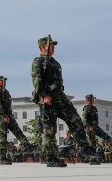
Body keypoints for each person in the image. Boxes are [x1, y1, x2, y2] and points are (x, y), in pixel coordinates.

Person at [32, 35, 93, 167]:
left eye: (54, 46)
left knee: (75, 119)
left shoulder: (55, 63)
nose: (53, 48)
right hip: (48, 99)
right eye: (51, 46)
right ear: (43, 47)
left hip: (60, 97)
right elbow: (37, 81)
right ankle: (51, 157)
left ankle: (84, 147)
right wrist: (44, 95)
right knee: (49, 129)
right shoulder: (38, 62)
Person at [0, 76, 32, 165]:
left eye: (4, 81)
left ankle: (28, 146)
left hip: (10, 116)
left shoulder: (6, 92)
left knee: (18, 131)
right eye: (1, 81)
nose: (4, 82)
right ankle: (2, 158)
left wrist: (9, 116)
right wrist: (4, 116)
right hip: (2, 118)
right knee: (3, 137)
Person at [82, 94, 112, 164]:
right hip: (90, 128)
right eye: (92, 99)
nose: (93, 100)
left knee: (105, 136)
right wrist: (89, 126)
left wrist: (94, 126)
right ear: (88, 100)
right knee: (92, 143)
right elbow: (85, 119)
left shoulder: (94, 108)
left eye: (93, 99)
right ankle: (92, 159)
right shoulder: (86, 108)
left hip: (95, 127)